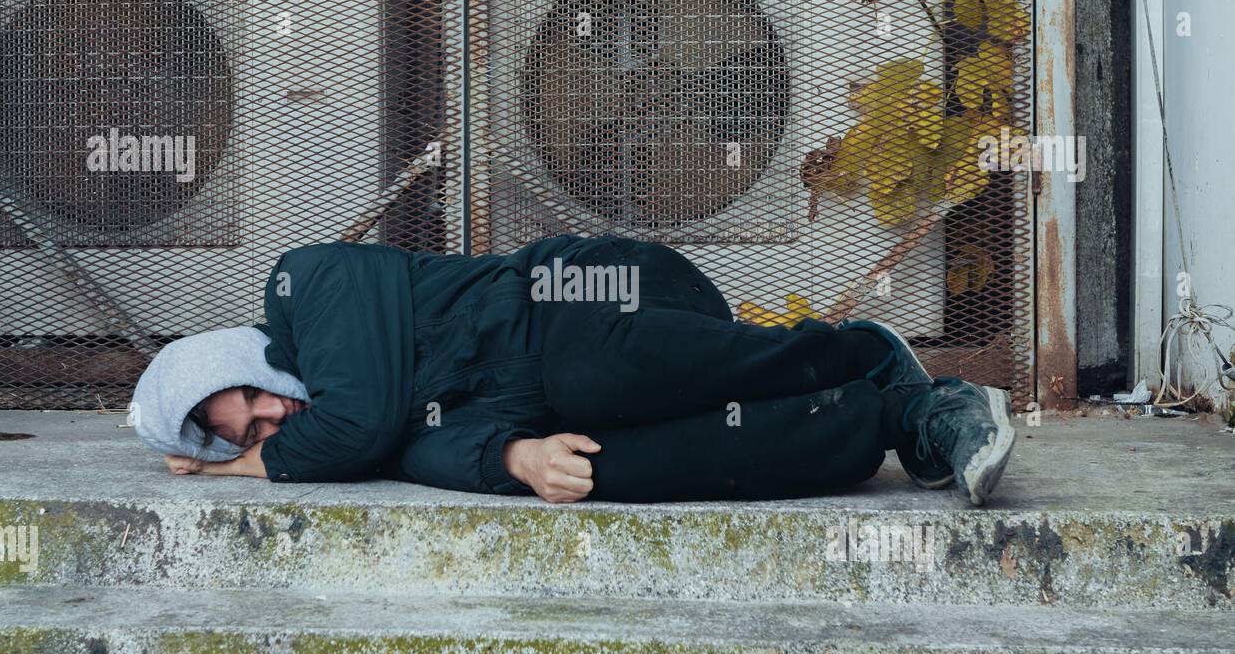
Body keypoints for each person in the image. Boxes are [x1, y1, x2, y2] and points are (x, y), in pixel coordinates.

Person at [130, 234, 1015, 506]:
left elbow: (364, 425)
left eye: (249, 397)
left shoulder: (305, 286)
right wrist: (515, 460)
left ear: (239, 356)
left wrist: (248, 468)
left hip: (593, 299)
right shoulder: (350, 436)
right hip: (578, 391)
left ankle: (860, 350)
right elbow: (413, 450)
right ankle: (887, 418)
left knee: (589, 380)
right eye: (246, 431)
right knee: (589, 470)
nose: (268, 419)